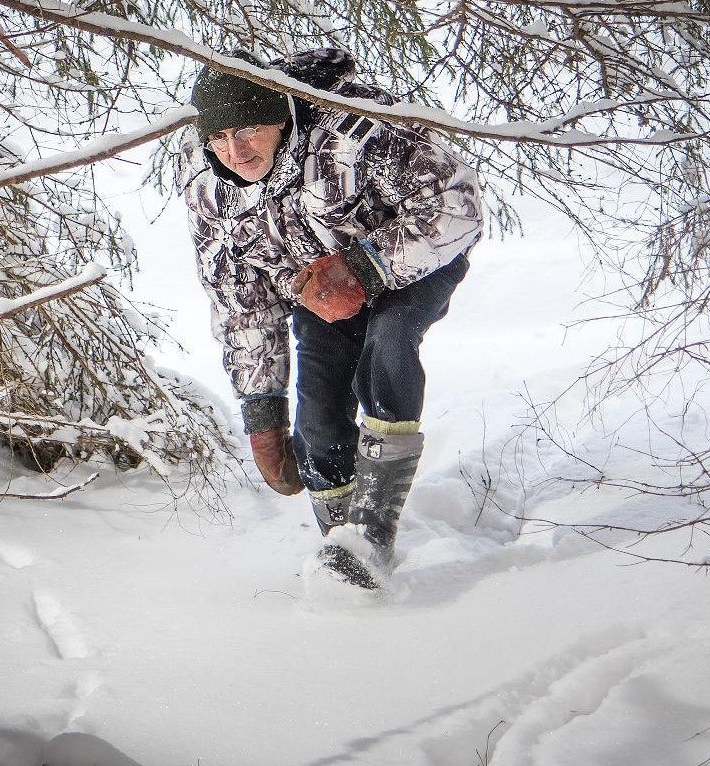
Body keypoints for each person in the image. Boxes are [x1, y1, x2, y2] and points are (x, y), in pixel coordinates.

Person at [176, 49, 482, 590]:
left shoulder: (357, 130)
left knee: (386, 347)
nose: (235, 151)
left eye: (248, 131)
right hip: (320, 289)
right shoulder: (212, 191)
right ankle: (342, 556)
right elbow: (241, 302)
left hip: (413, 260)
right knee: (314, 422)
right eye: (219, 139)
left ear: (281, 118)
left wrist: (364, 267)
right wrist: (261, 410)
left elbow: (457, 209)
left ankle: (371, 536)